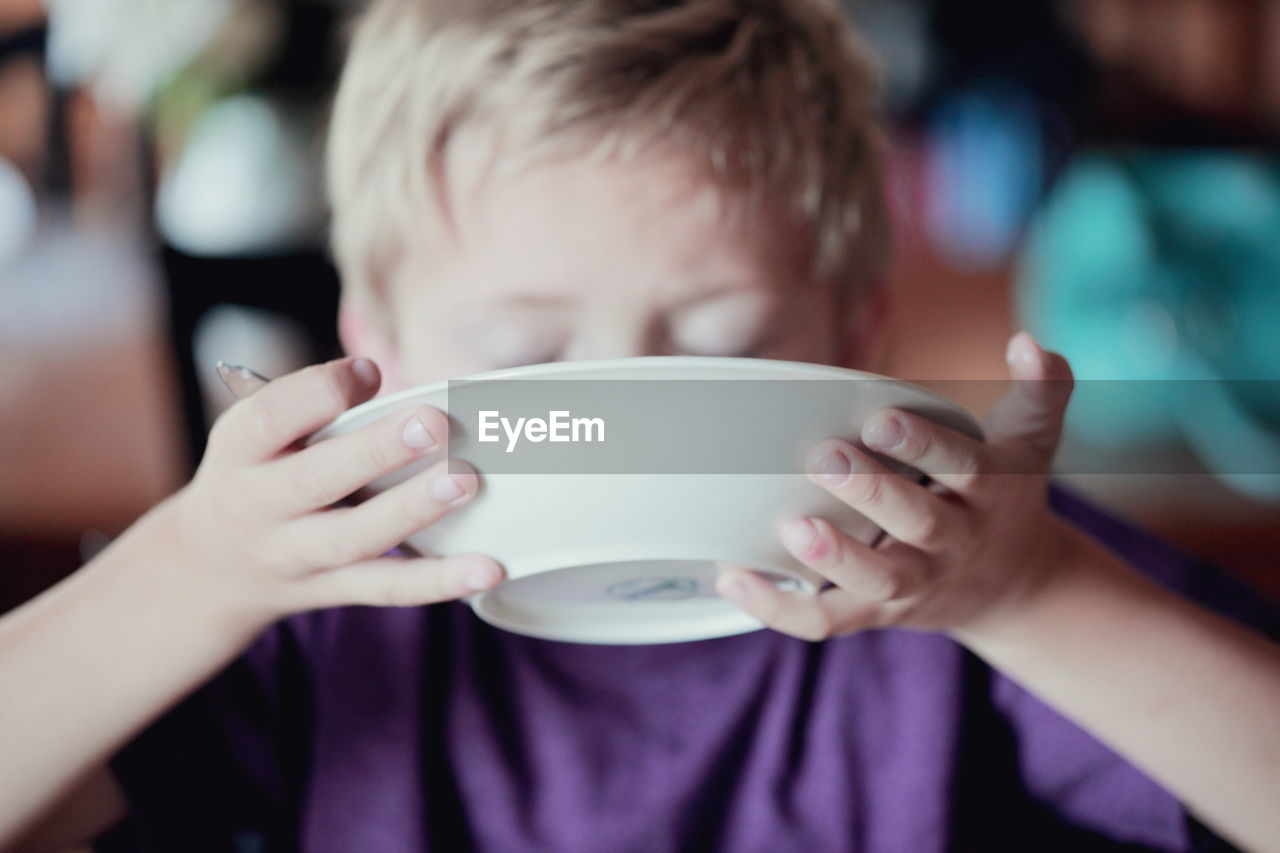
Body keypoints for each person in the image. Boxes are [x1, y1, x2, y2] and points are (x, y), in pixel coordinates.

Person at [3, 1, 1278, 850]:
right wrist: (187, 575)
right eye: (521, 353)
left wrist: (1027, 593)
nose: (612, 418)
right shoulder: (319, 608)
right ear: (369, 342)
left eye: (719, 342)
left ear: (854, 335)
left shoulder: (950, 564)